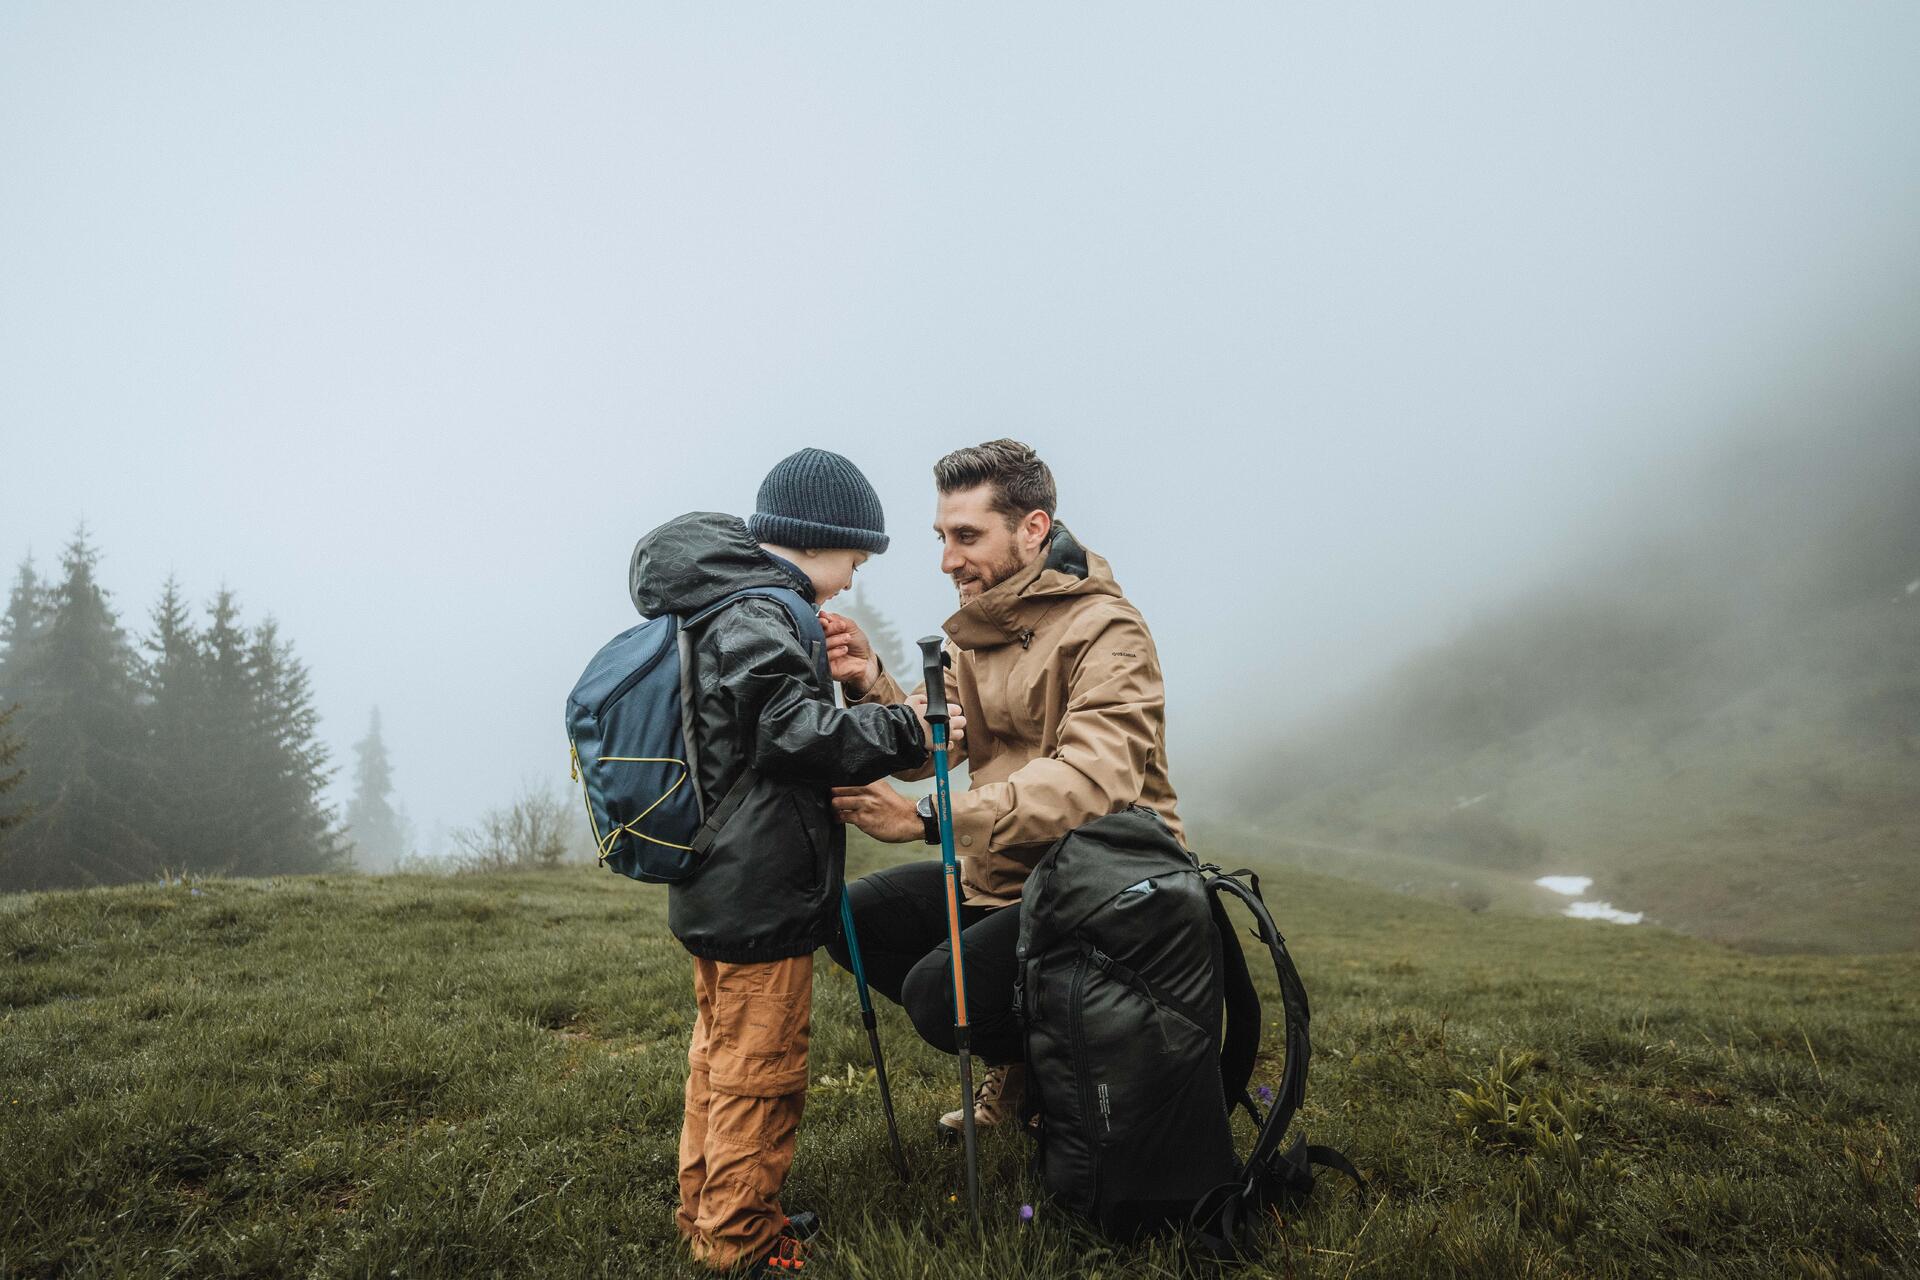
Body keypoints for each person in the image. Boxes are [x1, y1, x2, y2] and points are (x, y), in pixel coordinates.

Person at [630, 448, 963, 1273]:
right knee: (761, 1069)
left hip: (726, 879)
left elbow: (772, 721)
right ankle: (742, 1243)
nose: (850, 581)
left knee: (721, 1058)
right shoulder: (761, 610)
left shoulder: (739, 603)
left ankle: (707, 1214)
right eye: (853, 559)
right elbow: (790, 734)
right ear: (817, 540)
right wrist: (906, 727)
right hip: (759, 887)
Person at [823, 438, 1180, 1137]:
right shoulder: (980, 630)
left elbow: (1093, 784)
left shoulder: (1108, 632)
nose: (947, 559)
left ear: (1033, 529)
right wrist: (871, 683)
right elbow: (935, 748)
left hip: (1105, 891)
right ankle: (1026, 1068)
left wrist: (933, 819)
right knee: (848, 917)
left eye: (966, 537)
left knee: (937, 995)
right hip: (1008, 880)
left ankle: (1065, 1071)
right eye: (942, 537)